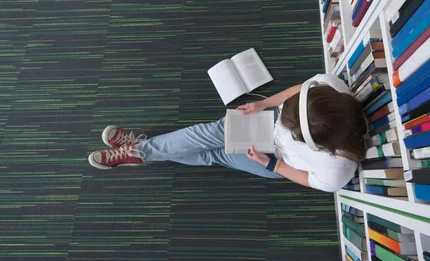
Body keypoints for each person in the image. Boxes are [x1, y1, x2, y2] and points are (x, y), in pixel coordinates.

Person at [87, 74, 367, 192]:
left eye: (289, 126)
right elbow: (300, 89)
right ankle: (140, 151)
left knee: (214, 154)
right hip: (266, 128)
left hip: (276, 160)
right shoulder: (331, 88)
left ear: (315, 144)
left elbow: (306, 178)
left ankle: (139, 152)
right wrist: (267, 104)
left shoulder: (337, 172)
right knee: (211, 133)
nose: (283, 121)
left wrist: (270, 163)